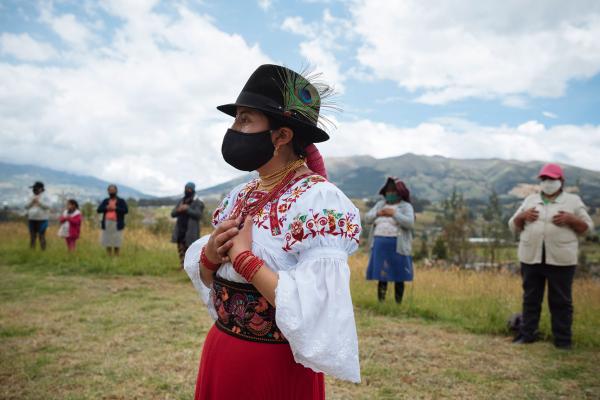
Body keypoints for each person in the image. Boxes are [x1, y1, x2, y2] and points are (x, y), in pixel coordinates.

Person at [183, 64, 361, 399]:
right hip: (222, 348)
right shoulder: (241, 194)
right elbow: (212, 281)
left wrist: (245, 259)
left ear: (282, 135)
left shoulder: (319, 201)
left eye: (245, 119)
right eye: (235, 119)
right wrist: (210, 255)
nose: (235, 128)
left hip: (273, 364)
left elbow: (314, 308)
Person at [509, 163, 593, 349]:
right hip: (531, 257)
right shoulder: (530, 200)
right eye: (544, 179)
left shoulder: (573, 201)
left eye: (552, 179)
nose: (547, 183)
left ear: (561, 181)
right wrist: (522, 216)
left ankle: (563, 341)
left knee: (561, 301)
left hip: (561, 260)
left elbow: (588, 228)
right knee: (531, 298)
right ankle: (527, 335)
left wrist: (572, 219)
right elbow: (513, 225)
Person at [365, 177, 415, 303]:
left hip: (398, 246)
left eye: (393, 191)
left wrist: (394, 214)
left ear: (400, 193)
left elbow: (409, 223)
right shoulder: (380, 205)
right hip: (380, 245)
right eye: (388, 191)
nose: (390, 194)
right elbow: (367, 218)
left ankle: (398, 303)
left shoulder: (405, 206)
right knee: (382, 275)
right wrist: (378, 214)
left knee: (399, 275)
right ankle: (381, 303)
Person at [171, 182, 205, 268]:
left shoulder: (198, 202)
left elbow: (198, 215)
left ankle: (191, 268)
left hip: (191, 231)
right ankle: (182, 266)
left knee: (191, 250)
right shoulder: (181, 201)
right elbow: (173, 214)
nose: (187, 190)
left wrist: (187, 209)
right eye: (186, 189)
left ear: (193, 190)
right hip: (180, 230)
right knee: (181, 249)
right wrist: (179, 209)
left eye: (189, 189)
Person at [97, 184, 128, 256]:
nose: (111, 192)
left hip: (117, 223)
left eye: (113, 190)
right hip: (107, 223)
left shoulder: (121, 201)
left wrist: (115, 208)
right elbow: (98, 210)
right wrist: (106, 208)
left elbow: (126, 211)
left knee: (117, 240)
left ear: (116, 191)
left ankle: (116, 256)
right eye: (110, 190)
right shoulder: (106, 201)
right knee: (107, 240)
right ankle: (109, 255)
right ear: (108, 191)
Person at [25, 181, 50, 250]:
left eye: (36, 188)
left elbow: (48, 206)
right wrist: (32, 202)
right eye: (34, 188)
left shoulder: (46, 197)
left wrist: (39, 203)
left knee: (41, 235)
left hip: (42, 219)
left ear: (41, 189)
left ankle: (43, 250)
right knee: (32, 236)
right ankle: (32, 250)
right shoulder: (31, 196)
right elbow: (26, 206)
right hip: (32, 219)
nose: (34, 190)